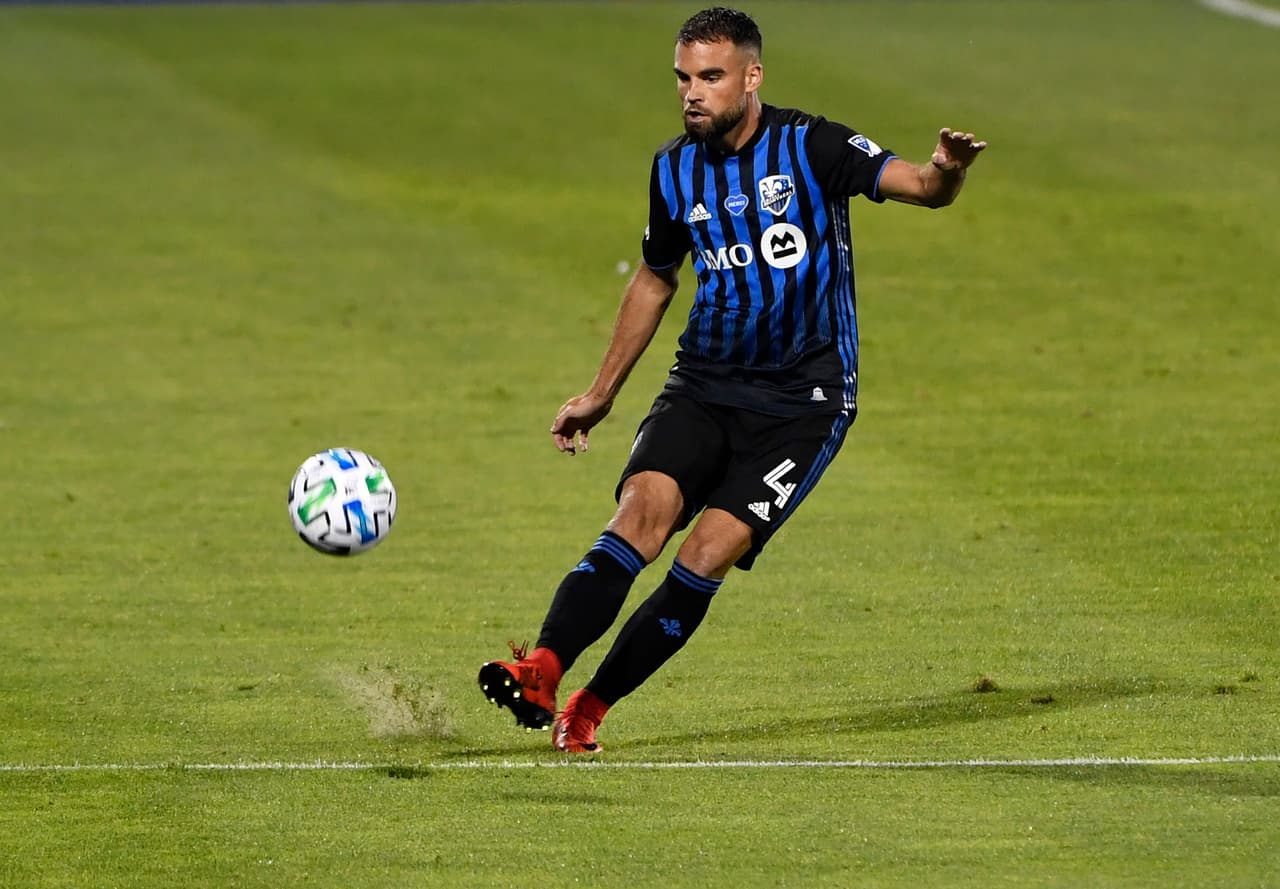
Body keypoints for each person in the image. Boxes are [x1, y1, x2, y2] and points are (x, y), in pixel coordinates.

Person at [478, 6, 987, 753]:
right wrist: (601, 393)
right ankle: (544, 667)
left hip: (802, 405)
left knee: (705, 552)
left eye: (710, 78)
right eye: (683, 77)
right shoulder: (672, 168)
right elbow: (656, 278)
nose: (692, 93)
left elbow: (918, 184)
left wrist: (947, 167)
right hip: (704, 384)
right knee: (638, 516)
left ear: (751, 77)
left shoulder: (811, 145)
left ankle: (589, 705)